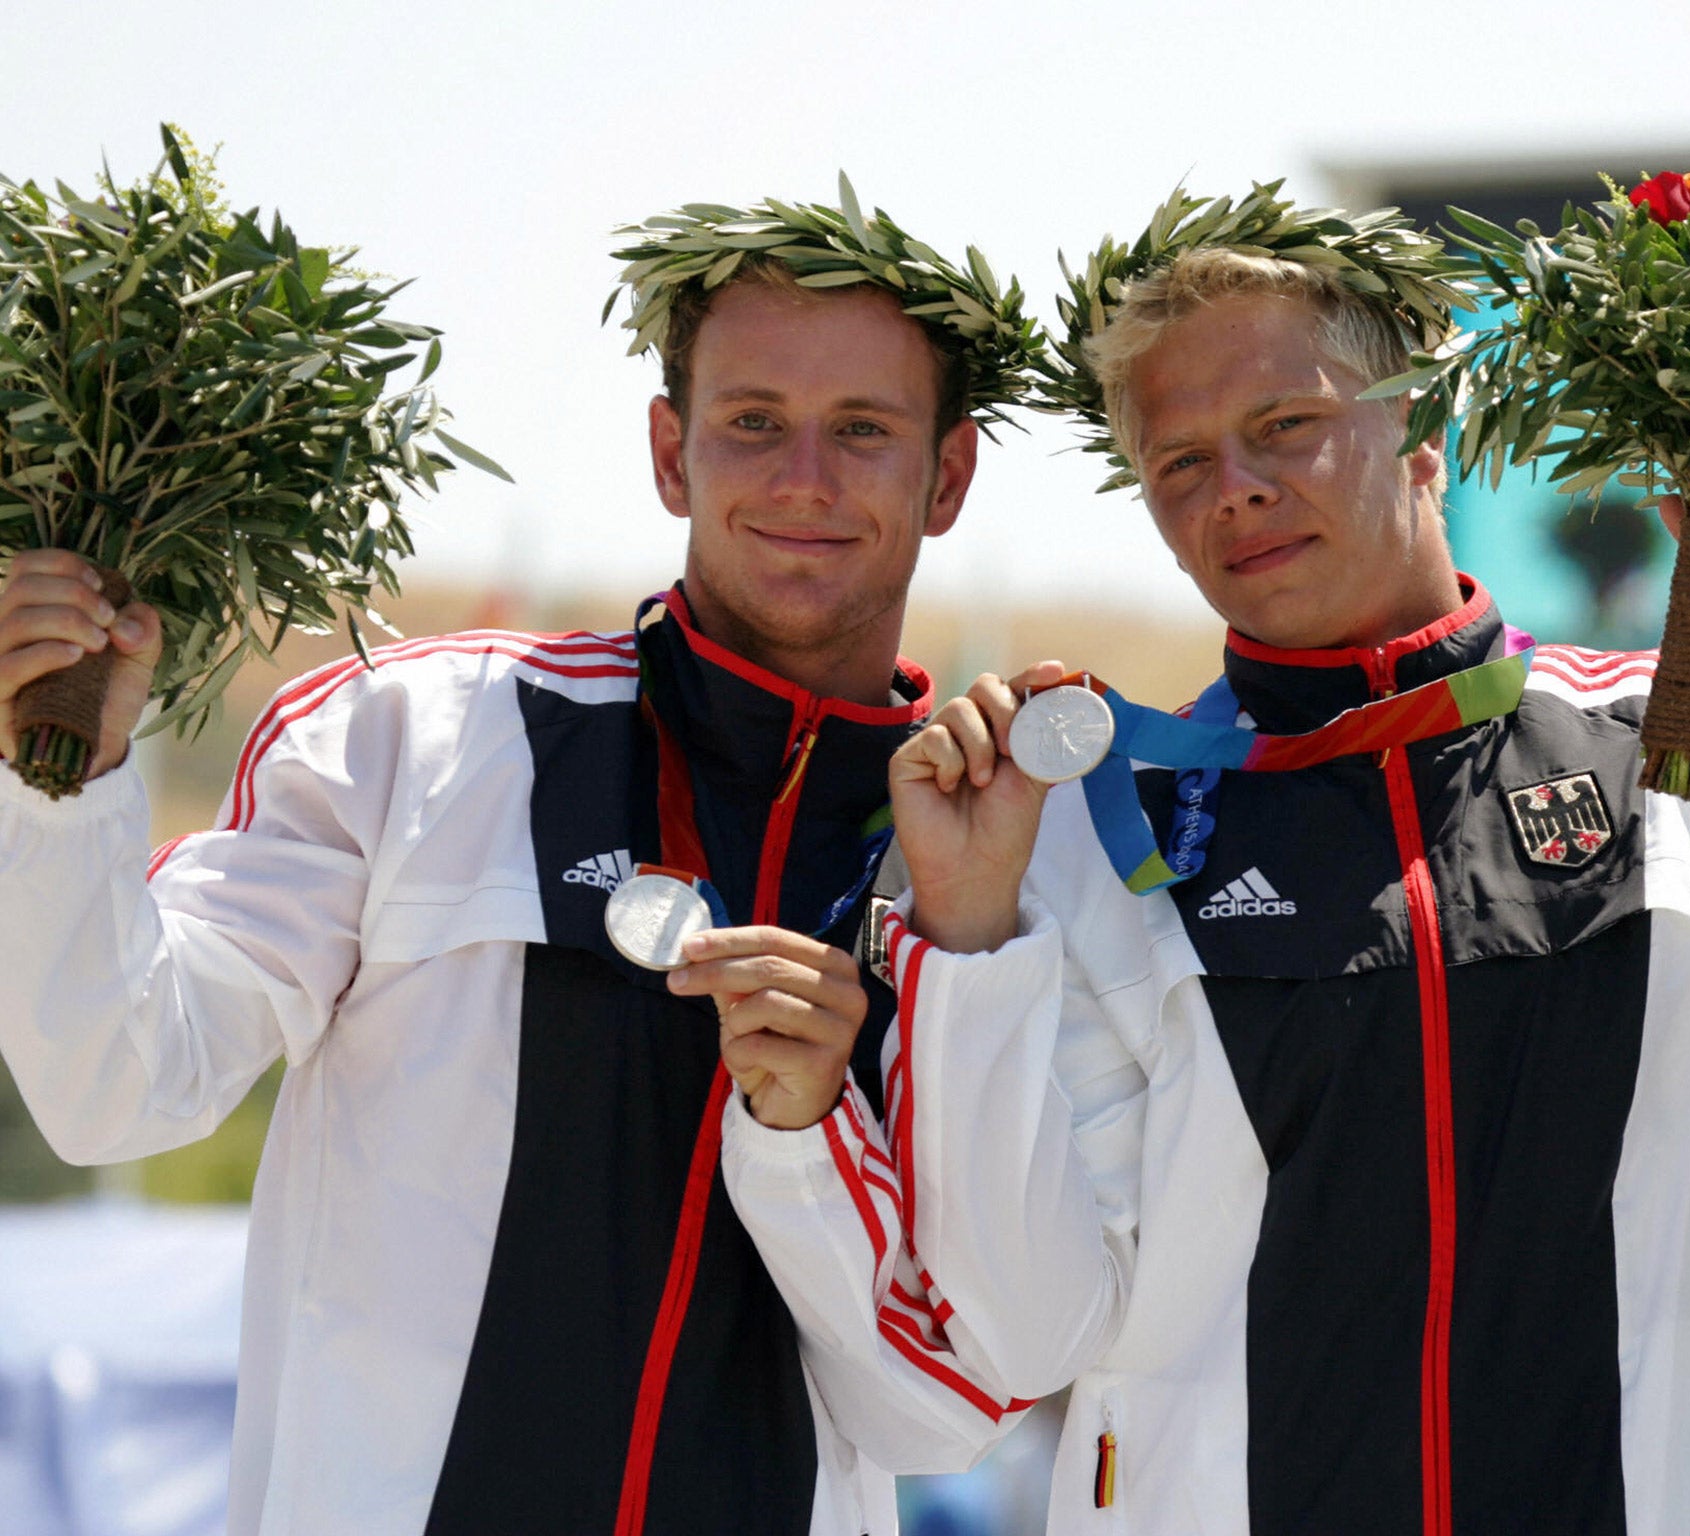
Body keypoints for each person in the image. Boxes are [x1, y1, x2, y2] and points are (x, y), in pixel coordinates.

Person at [875, 190, 1690, 1535]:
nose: (1234, 485)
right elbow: (1022, 1327)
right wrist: (965, 942)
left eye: (1285, 425)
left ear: (1424, 429)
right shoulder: (1099, 829)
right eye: (1180, 463)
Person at [0, 191, 1039, 1535]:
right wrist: (62, 780)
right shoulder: (404, 737)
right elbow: (113, 1091)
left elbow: (957, 1400)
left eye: (861, 432)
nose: (802, 480)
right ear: (672, 451)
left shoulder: (993, 852)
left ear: (946, 477)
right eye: (752, 422)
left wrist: (815, 1124)